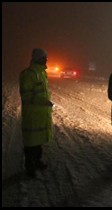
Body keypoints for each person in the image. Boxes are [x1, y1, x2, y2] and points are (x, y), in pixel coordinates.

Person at [19, 48, 54, 178]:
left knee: (38, 142)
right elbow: (26, 95)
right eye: (44, 57)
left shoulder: (43, 73)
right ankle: (30, 167)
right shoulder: (28, 74)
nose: (46, 59)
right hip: (32, 115)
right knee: (30, 143)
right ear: (37, 58)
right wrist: (43, 101)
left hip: (41, 115)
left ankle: (37, 161)